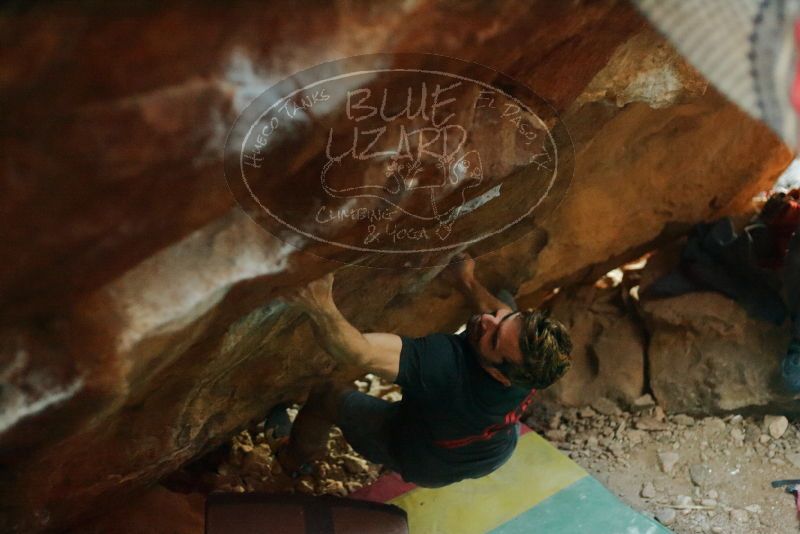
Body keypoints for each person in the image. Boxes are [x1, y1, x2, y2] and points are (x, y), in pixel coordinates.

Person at [275, 254, 572, 488]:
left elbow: (357, 350)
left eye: (493, 339)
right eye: (505, 320)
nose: (486, 320)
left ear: (499, 375)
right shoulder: (535, 365)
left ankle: (296, 460)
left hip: (425, 457)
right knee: (505, 301)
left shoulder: (442, 366)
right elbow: (501, 317)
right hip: (494, 449)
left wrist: (319, 304)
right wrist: (465, 280)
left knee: (327, 395)